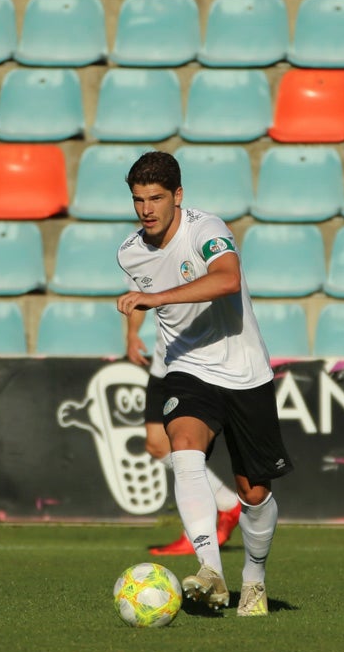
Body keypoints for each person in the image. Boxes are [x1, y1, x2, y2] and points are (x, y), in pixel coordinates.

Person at [117, 151, 293, 616]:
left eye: (156, 198)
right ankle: (210, 571)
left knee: (255, 493)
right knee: (183, 445)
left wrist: (153, 299)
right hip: (187, 367)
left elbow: (227, 279)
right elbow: (147, 297)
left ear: (178, 196)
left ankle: (253, 579)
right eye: (138, 200)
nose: (146, 209)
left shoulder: (207, 230)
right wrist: (135, 326)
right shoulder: (130, 252)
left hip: (244, 371)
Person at [125, 309, 241, 556]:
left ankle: (195, 535)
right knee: (157, 444)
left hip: (200, 367)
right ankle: (229, 504)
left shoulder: (198, 269)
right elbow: (137, 291)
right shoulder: (150, 268)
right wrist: (132, 333)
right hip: (163, 365)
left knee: (186, 446)